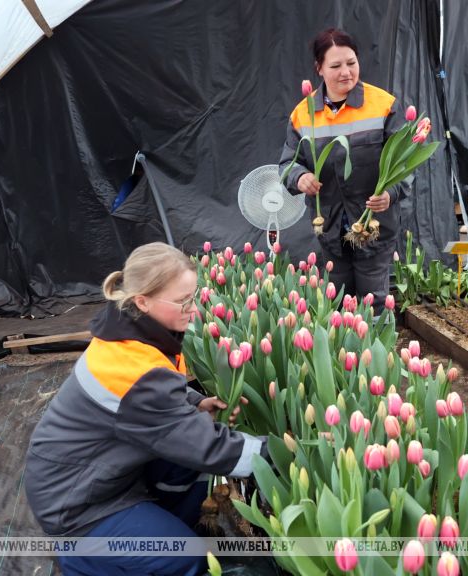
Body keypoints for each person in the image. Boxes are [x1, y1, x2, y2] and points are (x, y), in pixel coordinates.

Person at [24, 242, 266, 576]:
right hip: (78, 504)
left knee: (185, 464)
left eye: (193, 296)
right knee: (185, 556)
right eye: (183, 301)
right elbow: (208, 447)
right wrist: (277, 454)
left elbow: (156, 394)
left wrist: (195, 402)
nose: (194, 310)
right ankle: (87, 559)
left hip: (101, 474)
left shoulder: (134, 330)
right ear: (143, 301)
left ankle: (158, 524)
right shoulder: (132, 365)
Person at [279, 27, 406, 312]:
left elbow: (406, 163)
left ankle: (375, 352)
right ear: (319, 68)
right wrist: (301, 178)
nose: (346, 72)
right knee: (337, 304)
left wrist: (391, 192)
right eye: (335, 65)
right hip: (330, 227)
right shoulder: (303, 114)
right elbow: (287, 165)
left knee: (373, 302)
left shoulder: (383, 106)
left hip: (374, 225)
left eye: (351, 62)